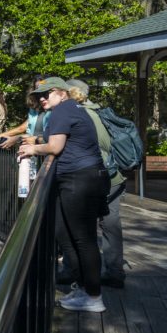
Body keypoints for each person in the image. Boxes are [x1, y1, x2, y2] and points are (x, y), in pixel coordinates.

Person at [18, 77, 110, 312]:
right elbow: (59, 140)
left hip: (80, 179)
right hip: (77, 179)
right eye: (40, 95)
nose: (42, 98)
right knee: (64, 233)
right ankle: (83, 288)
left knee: (83, 238)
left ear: (61, 93)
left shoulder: (63, 110)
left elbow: (55, 146)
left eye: (47, 94)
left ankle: (94, 295)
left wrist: (32, 148)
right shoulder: (69, 109)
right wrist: (38, 140)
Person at [66, 79, 126, 288]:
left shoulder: (78, 116)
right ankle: (115, 272)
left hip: (91, 177)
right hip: (113, 176)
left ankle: (78, 273)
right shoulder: (101, 112)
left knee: (80, 225)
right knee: (110, 225)